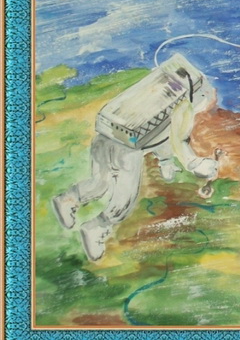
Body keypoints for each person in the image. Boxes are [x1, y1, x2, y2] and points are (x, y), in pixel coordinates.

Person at [51, 54, 221, 262]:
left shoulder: (154, 91)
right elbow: (177, 138)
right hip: (128, 150)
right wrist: (194, 163)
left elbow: (162, 135)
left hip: (104, 135)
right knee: (123, 199)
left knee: (99, 182)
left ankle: (68, 199)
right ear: (199, 91)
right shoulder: (184, 105)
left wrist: (165, 161)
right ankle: (96, 227)